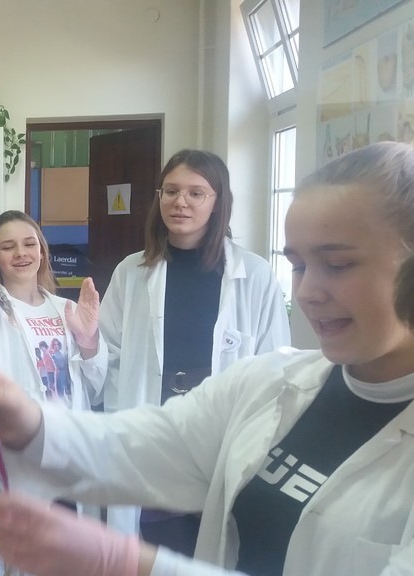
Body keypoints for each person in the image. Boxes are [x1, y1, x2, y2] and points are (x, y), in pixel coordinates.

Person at [0, 141, 414, 576]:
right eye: (297, 265)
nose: (309, 291)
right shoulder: (275, 384)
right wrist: (31, 423)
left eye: (338, 264)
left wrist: (130, 563)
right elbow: (153, 443)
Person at [98, 149, 290, 551]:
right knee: (155, 547)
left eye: (195, 193)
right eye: (170, 191)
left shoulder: (254, 275)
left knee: (215, 546)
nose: (180, 202)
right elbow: (109, 354)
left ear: (218, 202)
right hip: (156, 431)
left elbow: (276, 366)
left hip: (222, 434)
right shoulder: (131, 272)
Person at [0, 209, 105, 576]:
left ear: (42, 251)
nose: (21, 253)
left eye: (29, 243)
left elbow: (96, 386)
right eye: (8, 246)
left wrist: (89, 341)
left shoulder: (66, 309)